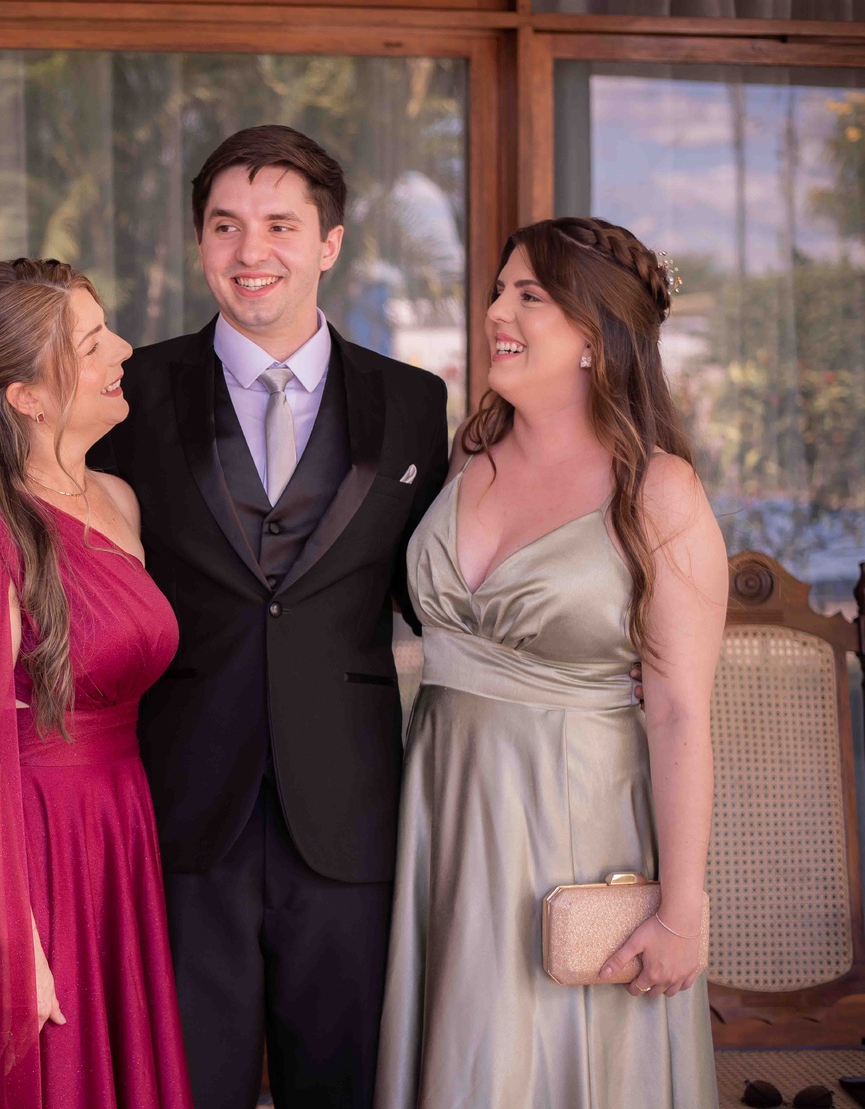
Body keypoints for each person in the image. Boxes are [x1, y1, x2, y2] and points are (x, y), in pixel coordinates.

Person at [91, 125, 449, 1108]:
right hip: (178, 803)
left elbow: (435, 594)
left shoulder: (414, 403)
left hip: (349, 810)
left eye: (280, 225)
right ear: (199, 241)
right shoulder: (129, 391)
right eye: (225, 226)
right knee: (180, 1085)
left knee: (342, 1084)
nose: (251, 251)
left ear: (329, 242)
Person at [374, 216, 724, 1107]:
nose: (498, 310)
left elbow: (679, 711)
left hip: (577, 820)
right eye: (500, 290)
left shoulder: (660, 491)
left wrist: (681, 911)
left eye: (530, 295)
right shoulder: (467, 455)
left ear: (595, 336)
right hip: (446, 805)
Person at [0, 258, 193, 1109]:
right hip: (37, 846)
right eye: (93, 343)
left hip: (119, 828)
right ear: (27, 395)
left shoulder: (119, 498)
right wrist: (9, 940)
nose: (124, 350)